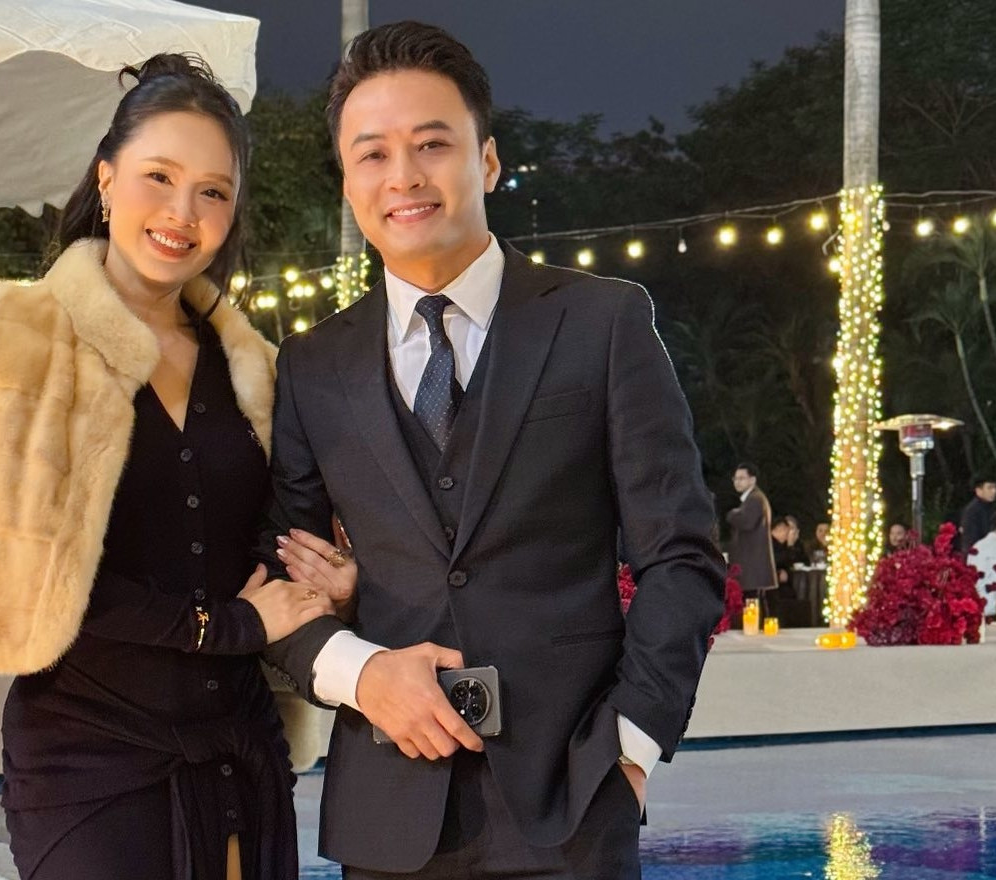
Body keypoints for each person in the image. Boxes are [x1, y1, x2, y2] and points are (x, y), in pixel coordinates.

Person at [0, 54, 350, 880]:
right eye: (160, 176)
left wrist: (331, 577)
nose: (182, 212)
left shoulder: (259, 367)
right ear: (107, 178)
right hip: (87, 757)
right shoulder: (14, 332)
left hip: (241, 746)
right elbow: (12, 574)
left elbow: (275, 544)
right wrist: (222, 626)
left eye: (213, 191)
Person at [258, 22, 724, 878]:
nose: (403, 175)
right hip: (389, 816)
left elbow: (681, 555)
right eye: (372, 154)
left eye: (431, 144)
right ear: (348, 182)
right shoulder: (311, 364)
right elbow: (278, 578)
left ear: (487, 161)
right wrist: (361, 674)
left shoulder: (601, 321)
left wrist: (628, 748)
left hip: (572, 803)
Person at [726, 463, 778, 604]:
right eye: (735, 478)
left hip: (752, 568)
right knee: (755, 605)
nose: (737, 482)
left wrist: (731, 514)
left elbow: (747, 522)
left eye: (742, 478)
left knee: (752, 606)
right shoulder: (754, 498)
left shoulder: (755, 499)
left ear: (752, 480)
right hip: (753, 568)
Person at [959, 476, 996, 555]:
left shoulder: (992, 507)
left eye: (994, 487)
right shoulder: (972, 511)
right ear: (978, 490)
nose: (994, 491)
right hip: (979, 555)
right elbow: (970, 541)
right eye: (989, 488)